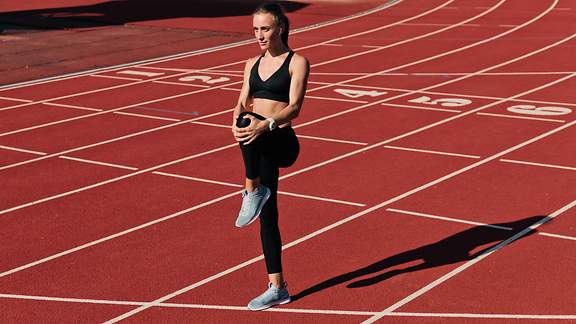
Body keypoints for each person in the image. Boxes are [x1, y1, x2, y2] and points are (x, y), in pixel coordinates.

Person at [231, 2, 310, 311]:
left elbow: (295, 107)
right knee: (269, 214)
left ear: (280, 28)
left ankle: (252, 189)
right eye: (255, 30)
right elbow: (241, 102)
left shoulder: (297, 62)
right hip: (258, 140)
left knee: (252, 127)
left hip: (282, 140)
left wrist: (266, 124)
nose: (259, 35)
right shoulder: (251, 63)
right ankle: (277, 287)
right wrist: (236, 122)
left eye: (264, 29)